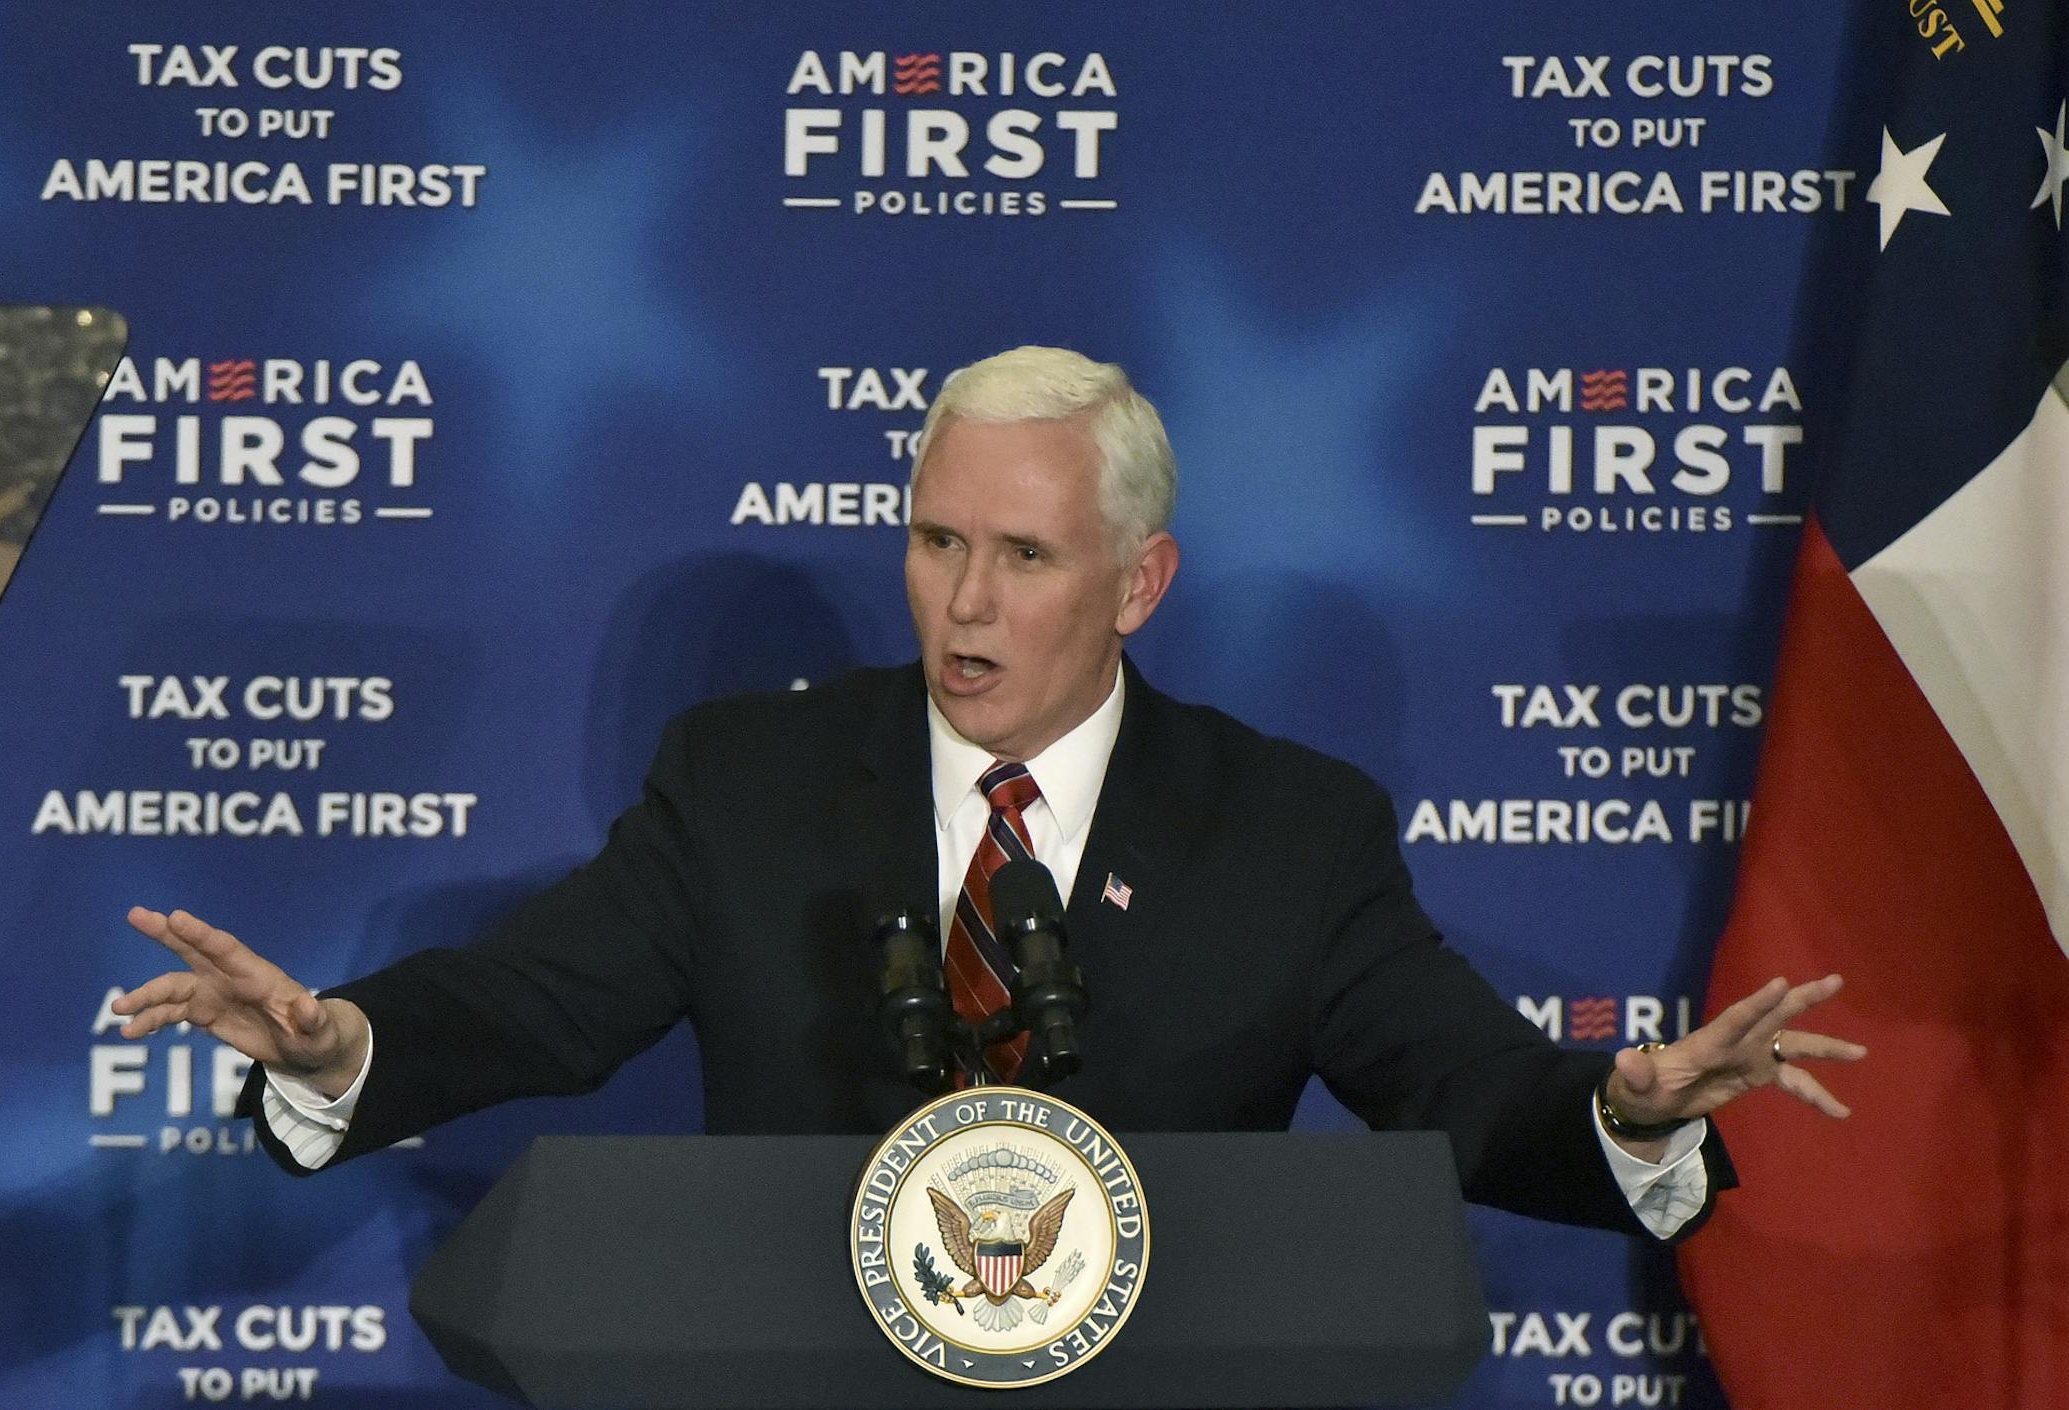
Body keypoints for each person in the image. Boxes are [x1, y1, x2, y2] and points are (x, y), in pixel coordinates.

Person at [114, 346, 1862, 1239]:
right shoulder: (752, 778)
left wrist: (1628, 1112)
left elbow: (1468, 1091)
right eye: (938, 540)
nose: (963, 600)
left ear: (1139, 583)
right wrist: (343, 1044)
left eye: (1023, 554)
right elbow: (537, 995)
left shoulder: (1288, 828)